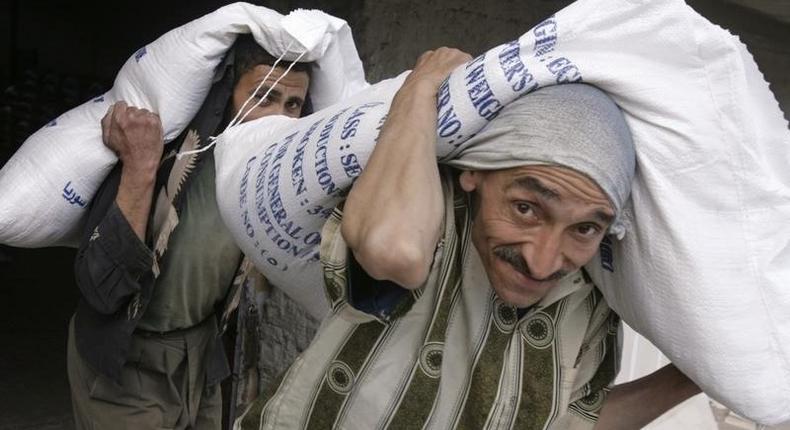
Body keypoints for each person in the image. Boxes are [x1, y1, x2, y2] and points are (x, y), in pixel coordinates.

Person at [235, 48, 702, 430]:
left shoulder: (591, 300)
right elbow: (389, 250)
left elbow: (572, 422)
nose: (542, 263)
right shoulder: (431, 215)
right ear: (476, 171)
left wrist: (694, 377)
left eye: (584, 228)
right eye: (526, 208)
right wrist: (418, 91)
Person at [66, 34, 310, 430]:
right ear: (231, 92)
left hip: (200, 360)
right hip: (127, 363)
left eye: (293, 104)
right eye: (263, 96)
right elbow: (101, 286)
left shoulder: (274, 178)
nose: (278, 117)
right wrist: (141, 170)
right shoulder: (172, 153)